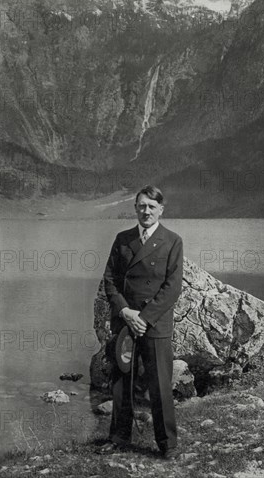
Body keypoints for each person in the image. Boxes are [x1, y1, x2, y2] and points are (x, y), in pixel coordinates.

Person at [101, 185, 183, 460]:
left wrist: (144, 319)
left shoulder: (172, 241)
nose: (145, 211)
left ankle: (167, 444)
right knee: (121, 381)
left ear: (161, 209)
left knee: (160, 385)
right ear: (135, 208)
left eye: (151, 206)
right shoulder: (122, 239)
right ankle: (119, 437)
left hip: (155, 324)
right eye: (141, 206)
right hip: (126, 321)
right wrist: (126, 312)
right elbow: (110, 281)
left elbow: (172, 288)